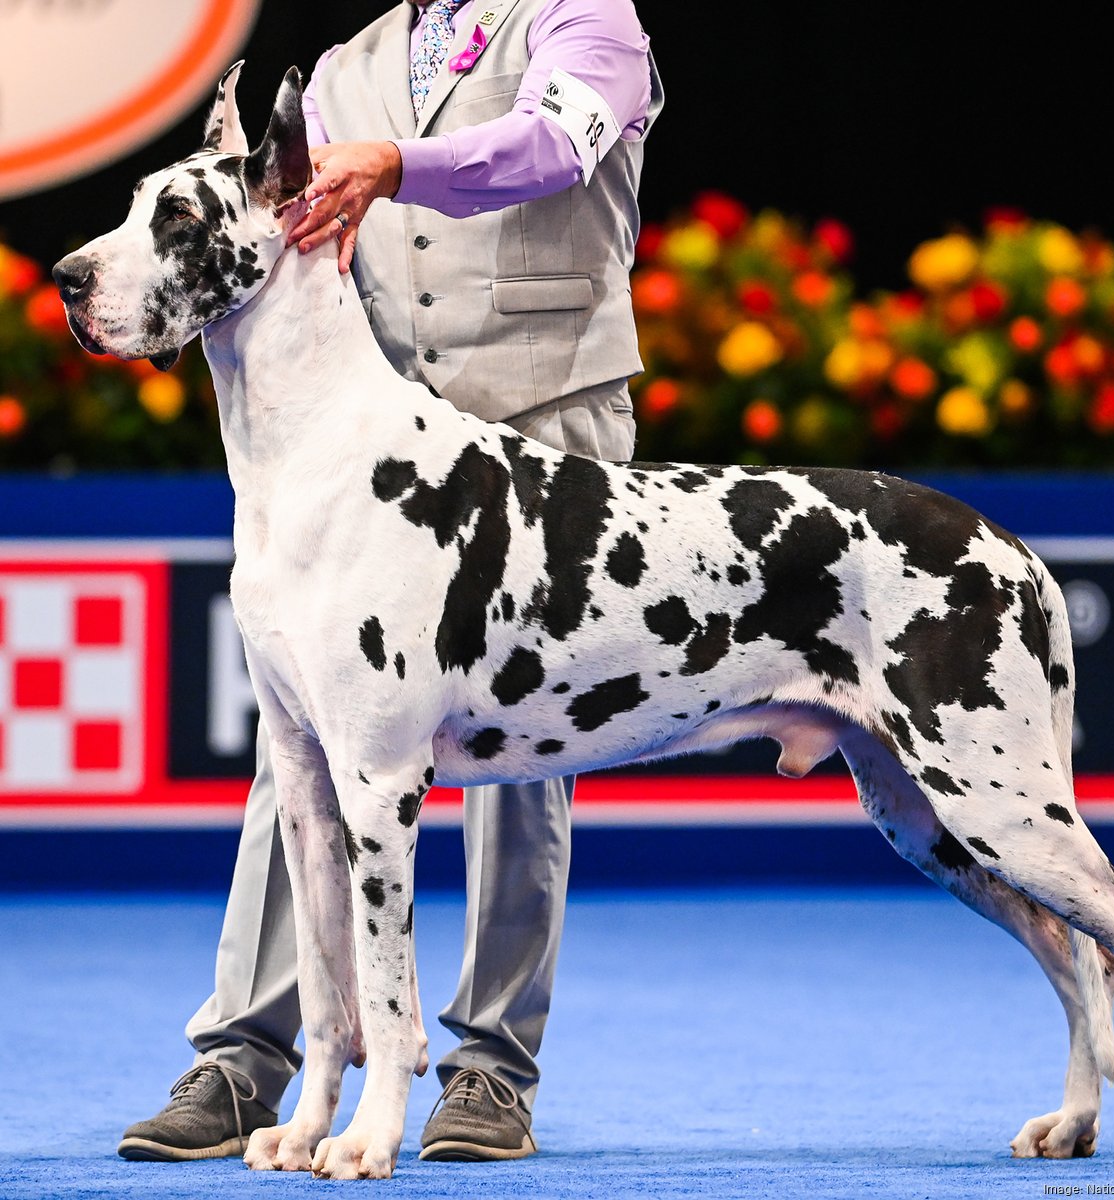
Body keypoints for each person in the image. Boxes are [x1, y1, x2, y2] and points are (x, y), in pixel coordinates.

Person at [117, 0, 662, 1167]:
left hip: (543, 410)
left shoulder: (587, 16)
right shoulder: (346, 65)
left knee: (526, 768)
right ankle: (245, 1055)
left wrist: (397, 164)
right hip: (374, 432)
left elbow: (557, 145)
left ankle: (488, 1071)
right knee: (305, 746)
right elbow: (262, 219)